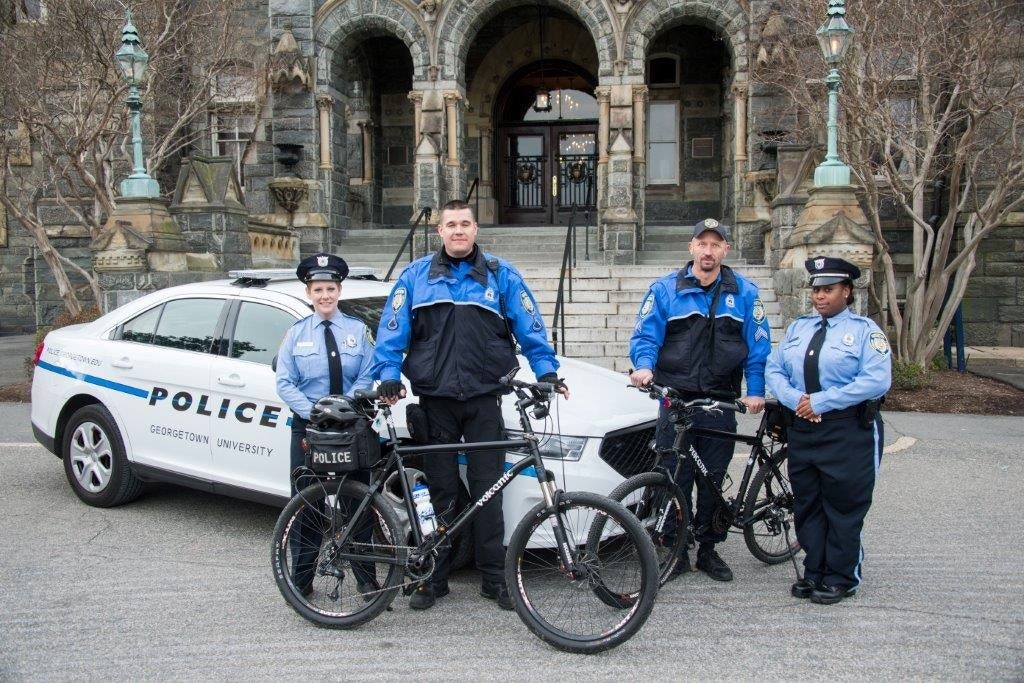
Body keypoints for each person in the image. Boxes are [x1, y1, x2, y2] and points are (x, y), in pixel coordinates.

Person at [372, 199, 568, 611]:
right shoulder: (415, 276)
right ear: (439, 232)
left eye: (465, 224)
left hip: (484, 400)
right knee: (439, 492)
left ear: (475, 229)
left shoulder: (501, 275)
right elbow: (391, 331)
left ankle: (495, 579)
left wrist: (546, 371)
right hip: (436, 402)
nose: (458, 231)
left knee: (488, 492)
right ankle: (433, 578)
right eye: (451, 225)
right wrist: (388, 371)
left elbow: (531, 328)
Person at [629, 218, 771, 582]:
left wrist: (754, 391)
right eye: (702, 244)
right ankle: (677, 549)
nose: (708, 251)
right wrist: (644, 368)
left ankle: (709, 548)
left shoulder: (745, 292)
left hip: (720, 400)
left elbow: (758, 347)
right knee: (672, 475)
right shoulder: (665, 290)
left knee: (712, 478)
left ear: (725, 250)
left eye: (716, 244)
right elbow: (646, 336)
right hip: (674, 398)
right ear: (691, 247)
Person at [765, 257, 891, 605]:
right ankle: (815, 570)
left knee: (843, 506)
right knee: (808, 505)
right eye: (816, 289)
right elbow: (774, 370)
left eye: (828, 290)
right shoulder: (799, 328)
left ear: (847, 291)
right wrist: (795, 400)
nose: (819, 296)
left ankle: (841, 576)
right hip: (803, 429)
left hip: (847, 431)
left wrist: (821, 402)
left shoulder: (866, 331)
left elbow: (876, 380)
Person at [275, 253, 375, 596]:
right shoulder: (296, 333)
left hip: (351, 429)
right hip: (309, 429)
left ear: (339, 290)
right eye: (318, 289)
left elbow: (368, 373)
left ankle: (368, 581)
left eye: (330, 289)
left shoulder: (358, 331)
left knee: (359, 505)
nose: (325, 296)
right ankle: (300, 581)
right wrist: (316, 413)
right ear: (309, 293)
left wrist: (342, 408)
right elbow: (285, 382)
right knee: (306, 505)